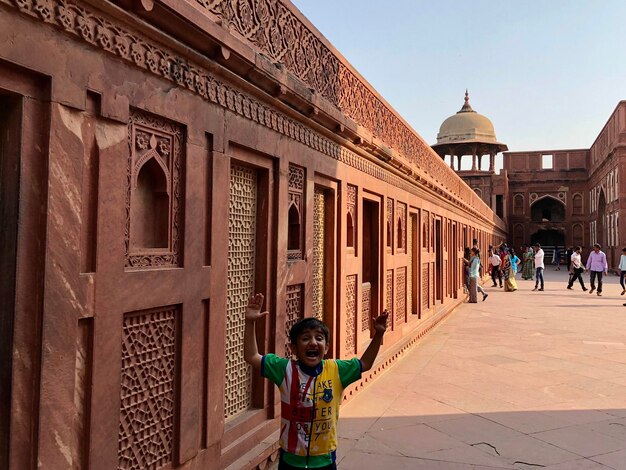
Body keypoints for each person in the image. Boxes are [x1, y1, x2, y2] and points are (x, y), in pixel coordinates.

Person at [244, 293, 388, 470]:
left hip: (325, 461)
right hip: (290, 461)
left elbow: (365, 364)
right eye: (305, 338)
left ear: (326, 347)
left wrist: (379, 333)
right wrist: (250, 322)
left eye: (319, 338)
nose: (313, 342)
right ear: (294, 348)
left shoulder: (336, 370)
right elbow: (251, 356)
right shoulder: (284, 369)